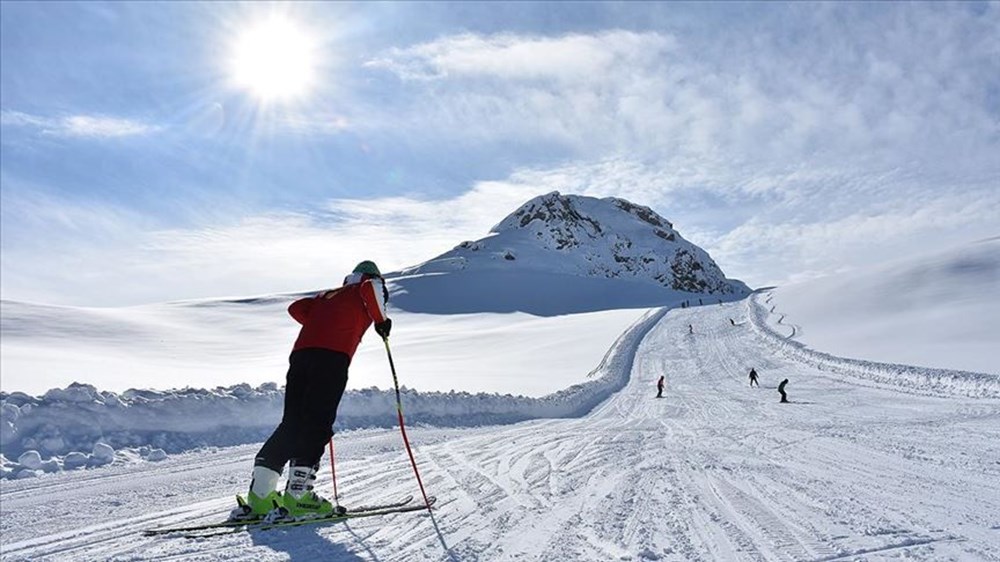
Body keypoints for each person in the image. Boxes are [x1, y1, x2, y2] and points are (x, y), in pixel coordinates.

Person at [232, 260, 392, 521]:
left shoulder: (330, 294)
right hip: (332, 358)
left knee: (292, 423)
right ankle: (298, 498)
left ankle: (260, 498)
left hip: (300, 356)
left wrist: (325, 316)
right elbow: (373, 288)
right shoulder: (368, 287)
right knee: (317, 423)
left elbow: (297, 308)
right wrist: (381, 320)